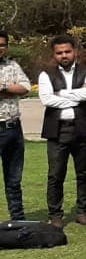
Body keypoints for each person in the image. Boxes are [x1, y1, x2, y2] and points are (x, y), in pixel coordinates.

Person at [38, 35, 86, 228]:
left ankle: (83, 212)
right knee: (55, 175)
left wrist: (61, 94)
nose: (64, 55)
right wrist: (77, 96)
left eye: (67, 51)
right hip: (57, 130)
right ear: (54, 54)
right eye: (59, 53)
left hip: (83, 128)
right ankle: (55, 214)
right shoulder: (46, 75)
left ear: (75, 51)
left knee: (84, 173)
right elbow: (47, 100)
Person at [0, 31, 31, 221]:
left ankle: (17, 219)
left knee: (13, 179)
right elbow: (17, 90)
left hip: (12, 128)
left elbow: (25, 88)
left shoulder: (12, 66)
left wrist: (4, 88)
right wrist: (11, 89)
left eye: (2, 45)